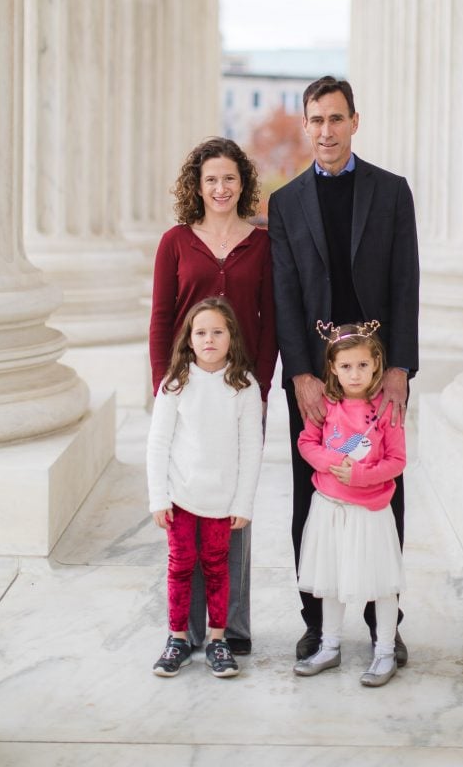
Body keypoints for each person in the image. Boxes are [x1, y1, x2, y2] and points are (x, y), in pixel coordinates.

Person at [267, 76, 419, 664]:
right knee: (313, 492)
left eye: (336, 118)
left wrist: (401, 365)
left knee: (383, 489)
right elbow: (284, 294)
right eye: (316, 120)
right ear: (305, 126)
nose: (325, 131)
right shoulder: (284, 203)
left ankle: (387, 620)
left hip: (377, 370)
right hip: (315, 377)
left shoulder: (392, 192)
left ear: (355, 121)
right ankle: (316, 619)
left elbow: (406, 282)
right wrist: (300, 373)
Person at [149, 137, 278, 654]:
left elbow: (271, 323)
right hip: (184, 389)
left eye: (229, 178)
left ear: (242, 182)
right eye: (210, 180)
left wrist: (260, 386)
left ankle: (233, 629)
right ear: (196, 187)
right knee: (187, 503)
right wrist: (164, 384)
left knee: (233, 505)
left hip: (240, 391)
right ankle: (191, 631)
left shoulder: (263, 244)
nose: (220, 188)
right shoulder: (175, 242)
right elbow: (161, 317)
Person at [147, 297, 264, 679]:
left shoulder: (244, 386)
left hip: (223, 499)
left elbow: (251, 449)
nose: (209, 339)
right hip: (181, 497)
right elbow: (158, 443)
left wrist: (243, 501)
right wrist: (158, 497)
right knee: (180, 567)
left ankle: (218, 640)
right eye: (201, 332)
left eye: (218, 331)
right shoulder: (175, 383)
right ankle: (177, 638)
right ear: (189, 339)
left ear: (232, 337)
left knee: (217, 568)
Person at [293, 321, 406, 687]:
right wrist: (329, 462)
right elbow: (307, 442)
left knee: (383, 583)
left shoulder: (385, 409)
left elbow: (397, 460)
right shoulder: (326, 405)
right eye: (345, 366)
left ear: (376, 364)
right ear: (333, 368)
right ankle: (329, 645)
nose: (354, 373)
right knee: (332, 579)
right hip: (330, 507)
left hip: (370, 509)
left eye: (362, 365)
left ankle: (385, 650)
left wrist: (360, 477)